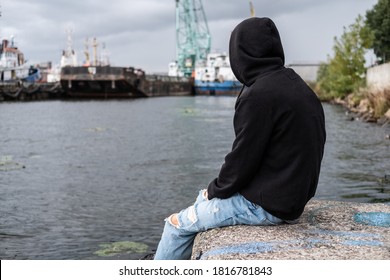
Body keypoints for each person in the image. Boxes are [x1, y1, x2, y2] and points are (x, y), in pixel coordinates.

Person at [154, 17, 326, 260]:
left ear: (239, 53)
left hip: (269, 206)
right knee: (203, 198)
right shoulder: (297, 85)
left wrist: (216, 189)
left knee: (176, 225)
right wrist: (214, 191)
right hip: (292, 198)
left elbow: (242, 159)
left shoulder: (259, 95)